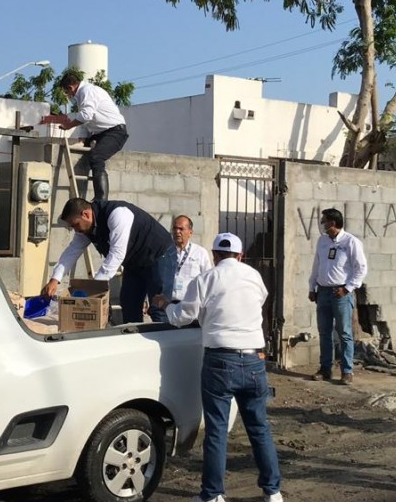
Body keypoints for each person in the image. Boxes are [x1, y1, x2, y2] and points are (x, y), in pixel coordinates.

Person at [153, 234, 283, 502]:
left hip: (220, 361)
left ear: (214, 255)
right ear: (240, 256)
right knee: (259, 428)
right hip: (255, 360)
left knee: (217, 431)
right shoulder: (254, 277)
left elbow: (182, 317)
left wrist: (165, 305)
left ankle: (212, 495)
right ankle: (273, 492)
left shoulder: (206, 279)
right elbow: (257, 302)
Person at [42, 198, 175, 323]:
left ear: (86, 214)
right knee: (129, 305)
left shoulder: (118, 214)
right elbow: (72, 251)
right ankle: (134, 342)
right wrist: (55, 279)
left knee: (158, 307)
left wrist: (94, 287)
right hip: (134, 262)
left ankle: (167, 346)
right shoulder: (85, 229)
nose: (76, 230)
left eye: (76, 225)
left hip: (158, 255)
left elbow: (116, 255)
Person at [39, 72, 128, 201]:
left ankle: (101, 199)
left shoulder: (87, 91)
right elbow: (86, 121)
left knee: (96, 157)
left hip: (115, 132)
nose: (68, 96)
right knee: (85, 152)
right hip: (100, 133)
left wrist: (69, 126)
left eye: (66, 92)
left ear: (70, 87)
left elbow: (86, 116)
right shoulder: (83, 95)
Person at [307, 208, 368, 384]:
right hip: (323, 292)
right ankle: (325, 368)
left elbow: (361, 268)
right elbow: (316, 265)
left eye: (324, 221)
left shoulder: (351, 242)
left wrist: (348, 288)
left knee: (344, 332)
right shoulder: (322, 241)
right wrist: (312, 287)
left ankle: (347, 371)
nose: (322, 225)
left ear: (333, 223)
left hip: (341, 292)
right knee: (324, 332)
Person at [170, 215, 214, 304]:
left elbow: (208, 280)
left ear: (190, 232)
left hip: (190, 305)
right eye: (175, 228)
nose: (177, 232)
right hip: (168, 304)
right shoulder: (166, 252)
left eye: (181, 229)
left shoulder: (200, 253)